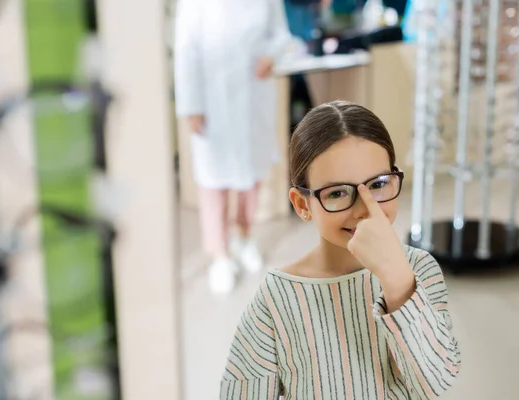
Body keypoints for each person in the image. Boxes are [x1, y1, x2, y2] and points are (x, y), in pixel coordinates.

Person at [219, 101, 461, 399]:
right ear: (302, 205)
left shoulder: (420, 269)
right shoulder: (277, 298)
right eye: (337, 192)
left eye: (378, 184)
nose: (365, 208)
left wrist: (396, 279)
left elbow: (436, 381)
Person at [174, 0, 294, 294]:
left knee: (251, 177)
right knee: (213, 182)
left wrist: (271, 54)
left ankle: (244, 236)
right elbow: (185, 49)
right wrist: (191, 105)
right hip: (212, 102)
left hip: (253, 96)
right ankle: (220, 255)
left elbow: (281, 34)